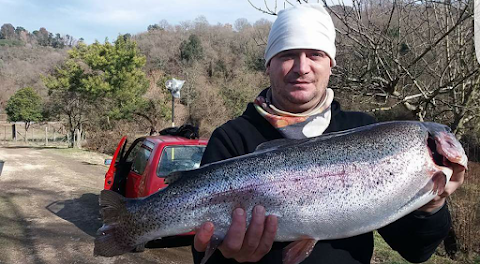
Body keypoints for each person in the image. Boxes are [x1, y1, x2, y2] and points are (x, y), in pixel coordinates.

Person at [192, 3, 465, 264]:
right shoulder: (231, 138)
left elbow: (416, 251)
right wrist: (230, 257)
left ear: (331, 64)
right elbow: (201, 253)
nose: (302, 67)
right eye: (287, 55)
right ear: (268, 64)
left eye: (315, 54)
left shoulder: (364, 130)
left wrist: (431, 205)